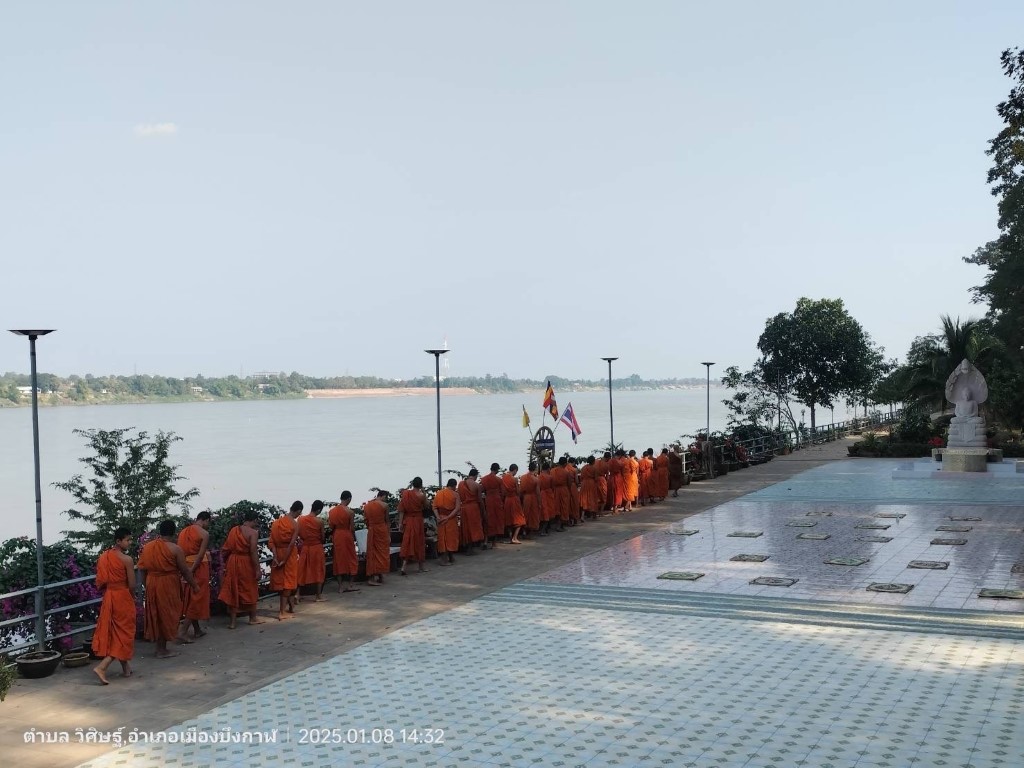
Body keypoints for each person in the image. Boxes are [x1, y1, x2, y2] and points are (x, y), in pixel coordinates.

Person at [138, 520, 199, 659]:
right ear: (174, 533)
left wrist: (147, 584)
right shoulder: (175, 549)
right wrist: (195, 585)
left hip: (152, 583)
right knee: (167, 614)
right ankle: (161, 650)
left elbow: (142, 569)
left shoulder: (148, 547)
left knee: (157, 615)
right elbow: (185, 571)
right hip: (168, 584)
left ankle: (161, 647)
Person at [92, 528, 136, 684]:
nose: (130, 542)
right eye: (127, 540)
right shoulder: (127, 559)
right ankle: (102, 667)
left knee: (117, 632)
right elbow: (132, 584)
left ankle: (126, 668)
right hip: (122, 596)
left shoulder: (104, 556)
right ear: (118, 541)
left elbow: (101, 581)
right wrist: (132, 597)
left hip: (109, 596)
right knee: (124, 633)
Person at [218, 510, 265, 629]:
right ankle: (252, 618)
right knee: (250, 588)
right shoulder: (253, 533)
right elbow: (253, 551)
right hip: (246, 562)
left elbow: (226, 548)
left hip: (233, 561)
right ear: (254, 520)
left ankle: (233, 622)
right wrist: (257, 569)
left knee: (234, 589)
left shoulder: (234, 530)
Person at [176, 511, 211, 643]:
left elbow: (180, 551)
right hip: (198, 567)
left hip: (185, 565)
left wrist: (185, 570)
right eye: (208, 522)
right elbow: (200, 555)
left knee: (191, 597)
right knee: (197, 598)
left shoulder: (183, 532)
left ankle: (197, 630)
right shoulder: (204, 534)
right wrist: (192, 570)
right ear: (206, 520)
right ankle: (183, 631)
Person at [269, 501, 302, 620]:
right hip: (289, 555)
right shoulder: (295, 524)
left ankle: (290, 607)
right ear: (298, 511)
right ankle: (282, 612)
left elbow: (271, 542)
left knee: (282, 582)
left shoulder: (276, 522)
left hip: (278, 552)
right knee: (288, 583)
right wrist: (284, 559)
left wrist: (275, 556)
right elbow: (291, 544)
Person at [328, 492, 360, 594]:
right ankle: (350, 585)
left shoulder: (332, 511)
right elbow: (352, 528)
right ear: (349, 498)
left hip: (337, 535)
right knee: (352, 558)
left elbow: (331, 526)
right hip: (347, 535)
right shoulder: (350, 512)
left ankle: (340, 587)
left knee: (338, 560)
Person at [297, 500, 327, 601]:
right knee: (319, 570)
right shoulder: (319, 521)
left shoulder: (301, 519)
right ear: (319, 510)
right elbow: (322, 537)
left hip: (305, 547)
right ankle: (318, 596)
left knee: (302, 570)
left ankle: (297, 594)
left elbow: (299, 534)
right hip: (317, 548)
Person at [398, 477, 428, 575]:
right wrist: (424, 492)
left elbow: (401, 510)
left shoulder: (406, 494)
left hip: (408, 521)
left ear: (412, 484)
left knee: (408, 542)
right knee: (419, 542)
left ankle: (403, 567)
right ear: (421, 485)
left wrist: (400, 523)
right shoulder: (421, 495)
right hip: (418, 521)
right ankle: (421, 567)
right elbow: (427, 506)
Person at [363, 490, 392, 586]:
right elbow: (387, 521)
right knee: (382, 553)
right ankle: (376, 577)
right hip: (381, 530)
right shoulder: (385, 505)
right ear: (382, 496)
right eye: (385, 497)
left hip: (371, 530)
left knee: (372, 553)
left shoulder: (367, 506)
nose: (385, 499)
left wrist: (371, 527)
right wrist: (388, 534)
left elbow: (366, 520)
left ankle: (376, 576)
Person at [457, 469, 486, 553]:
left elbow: (459, 496)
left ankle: (466, 546)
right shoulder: (477, 485)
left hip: (464, 508)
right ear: (475, 475)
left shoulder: (461, 484)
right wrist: (483, 510)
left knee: (465, 528)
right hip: (473, 508)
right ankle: (470, 547)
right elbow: (480, 500)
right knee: (473, 527)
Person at [433, 478, 461, 565]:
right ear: (454, 486)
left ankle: (450, 557)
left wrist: (438, 517)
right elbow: (457, 508)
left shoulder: (439, 493)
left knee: (443, 538)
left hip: (441, 519)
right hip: (450, 519)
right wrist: (448, 517)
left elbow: (434, 507)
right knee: (450, 538)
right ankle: (444, 560)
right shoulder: (455, 494)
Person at [480, 463, 505, 548]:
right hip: (497, 500)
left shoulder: (484, 479)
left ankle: (485, 541)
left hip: (488, 500)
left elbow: (481, 490)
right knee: (497, 521)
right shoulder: (498, 480)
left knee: (488, 520)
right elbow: (503, 492)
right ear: (497, 470)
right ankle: (494, 543)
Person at [502, 464, 525, 544]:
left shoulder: (504, 478)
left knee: (508, 519)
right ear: (515, 470)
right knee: (520, 519)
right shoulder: (514, 479)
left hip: (507, 500)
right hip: (514, 499)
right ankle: (514, 537)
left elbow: (503, 491)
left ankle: (510, 537)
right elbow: (518, 492)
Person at [520, 462, 541, 534]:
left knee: (525, 513)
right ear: (535, 468)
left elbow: (521, 490)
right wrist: (539, 503)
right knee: (533, 514)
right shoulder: (536, 479)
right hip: (533, 497)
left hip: (526, 497)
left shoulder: (522, 477)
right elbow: (538, 493)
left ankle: (524, 530)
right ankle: (530, 530)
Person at [551, 458, 571, 530]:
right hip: (564, 490)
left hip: (555, 490)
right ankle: (559, 525)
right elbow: (569, 483)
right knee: (563, 507)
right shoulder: (566, 472)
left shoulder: (552, 471)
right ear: (565, 463)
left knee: (557, 507)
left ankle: (558, 525)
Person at [538, 461, 556, 535]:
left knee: (543, 511)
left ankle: (543, 529)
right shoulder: (550, 477)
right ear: (548, 469)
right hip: (548, 494)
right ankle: (543, 530)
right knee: (548, 512)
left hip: (541, 494)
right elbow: (552, 487)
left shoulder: (538, 477)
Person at [594, 452, 610, 516]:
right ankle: (601, 512)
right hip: (602, 480)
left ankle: (595, 512)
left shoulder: (596, 462)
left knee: (597, 496)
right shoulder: (606, 465)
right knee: (603, 496)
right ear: (608, 458)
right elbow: (607, 476)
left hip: (595, 480)